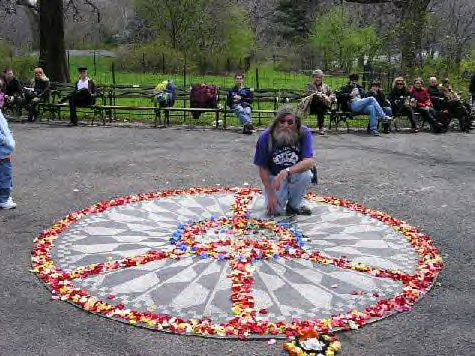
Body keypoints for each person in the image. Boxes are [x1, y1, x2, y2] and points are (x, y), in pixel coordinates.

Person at [253, 106, 315, 216]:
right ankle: (279, 198)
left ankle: (294, 206)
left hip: (295, 173)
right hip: (274, 176)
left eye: (290, 122)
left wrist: (287, 171)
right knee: (274, 211)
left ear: (296, 123)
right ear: (277, 122)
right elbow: (262, 167)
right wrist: (270, 193)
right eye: (282, 121)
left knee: (306, 175)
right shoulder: (266, 137)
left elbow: (309, 162)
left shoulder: (304, 133)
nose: (285, 125)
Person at [306, 69, 334, 135]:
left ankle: (321, 128)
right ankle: (321, 128)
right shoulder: (309, 86)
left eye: (319, 77)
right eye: (316, 77)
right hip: (312, 106)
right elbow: (309, 94)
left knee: (321, 106)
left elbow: (332, 94)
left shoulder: (326, 86)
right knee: (319, 102)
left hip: (322, 106)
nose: (317, 79)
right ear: (313, 77)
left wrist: (329, 97)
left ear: (322, 78)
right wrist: (319, 95)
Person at [0, 109, 16, 209]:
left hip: (4, 149)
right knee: (5, 175)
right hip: (2, 150)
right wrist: (7, 141)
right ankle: (4, 199)